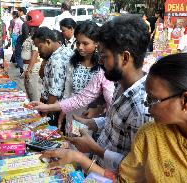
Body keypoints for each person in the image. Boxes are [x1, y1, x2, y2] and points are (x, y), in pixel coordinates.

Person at [40, 53, 187, 182]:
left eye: (153, 100)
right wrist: (78, 157)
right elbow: (125, 179)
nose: (148, 106)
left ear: (186, 101)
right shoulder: (151, 135)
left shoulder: (140, 111)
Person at [32, 15, 151, 171]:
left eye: (104, 56)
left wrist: (93, 150)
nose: (100, 61)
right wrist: (93, 122)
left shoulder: (141, 108)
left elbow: (137, 169)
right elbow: (112, 119)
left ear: (125, 57)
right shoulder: (121, 84)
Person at [60, 21, 104, 132]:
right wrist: (62, 112)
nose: (80, 47)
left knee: (87, 145)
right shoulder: (73, 63)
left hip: (93, 115)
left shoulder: (103, 65)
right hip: (73, 112)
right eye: (78, 43)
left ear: (96, 43)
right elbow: (68, 91)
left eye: (85, 43)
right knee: (74, 142)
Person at [32, 27, 74, 125]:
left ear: (48, 42)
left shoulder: (56, 60)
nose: (38, 51)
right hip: (63, 106)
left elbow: (54, 92)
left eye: (39, 47)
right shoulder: (66, 50)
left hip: (55, 108)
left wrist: (45, 112)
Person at [22, 10, 44, 101]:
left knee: (33, 92)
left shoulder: (36, 36)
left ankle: (37, 112)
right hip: (28, 66)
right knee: (29, 91)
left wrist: (29, 70)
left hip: (31, 67)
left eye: (28, 18)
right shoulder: (31, 35)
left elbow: (34, 53)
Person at [15, 7, 29, 75]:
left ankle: (22, 69)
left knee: (19, 54)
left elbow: (18, 31)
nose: (18, 12)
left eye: (19, 11)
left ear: (22, 12)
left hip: (22, 38)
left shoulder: (20, 20)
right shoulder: (27, 18)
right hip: (28, 39)